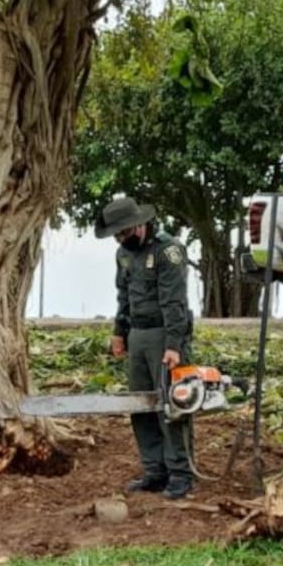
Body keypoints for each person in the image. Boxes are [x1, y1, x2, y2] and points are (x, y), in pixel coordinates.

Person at [95, 197, 194, 499]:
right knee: (140, 405)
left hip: (165, 335)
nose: (120, 239)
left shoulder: (168, 250)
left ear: (139, 224)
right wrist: (119, 332)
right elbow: (123, 295)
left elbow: (174, 301)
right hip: (138, 334)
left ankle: (180, 473)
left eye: (124, 232)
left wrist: (174, 345)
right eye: (116, 235)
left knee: (172, 405)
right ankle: (155, 470)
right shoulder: (123, 255)